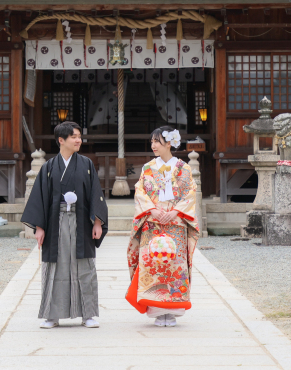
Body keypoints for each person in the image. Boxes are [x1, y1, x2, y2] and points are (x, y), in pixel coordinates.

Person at [21, 121, 108, 328]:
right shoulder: (49, 167)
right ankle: (52, 315)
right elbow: (40, 197)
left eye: (79, 136)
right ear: (61, 140)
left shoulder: (86, 164)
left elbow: (96, 193)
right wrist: (39, 227)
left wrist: (97, 222)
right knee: (55, 266)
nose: (79, 140)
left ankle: (88, 314)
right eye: (74, 137)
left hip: (82, 221)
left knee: (84, 266)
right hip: (55, 220)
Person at [125, 126, 199, 327]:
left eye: (157, 141)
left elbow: (190, 193)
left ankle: (173, 311)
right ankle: (157, 310)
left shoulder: (183, 168)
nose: (153, 145)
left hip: (176, 224)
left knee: (175, 266)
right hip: (152, 223)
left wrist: (176, 212)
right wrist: (151, 210)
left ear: (169, 143)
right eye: (152, 142)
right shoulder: (148, 168)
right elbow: (140, 191)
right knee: (154, 266)